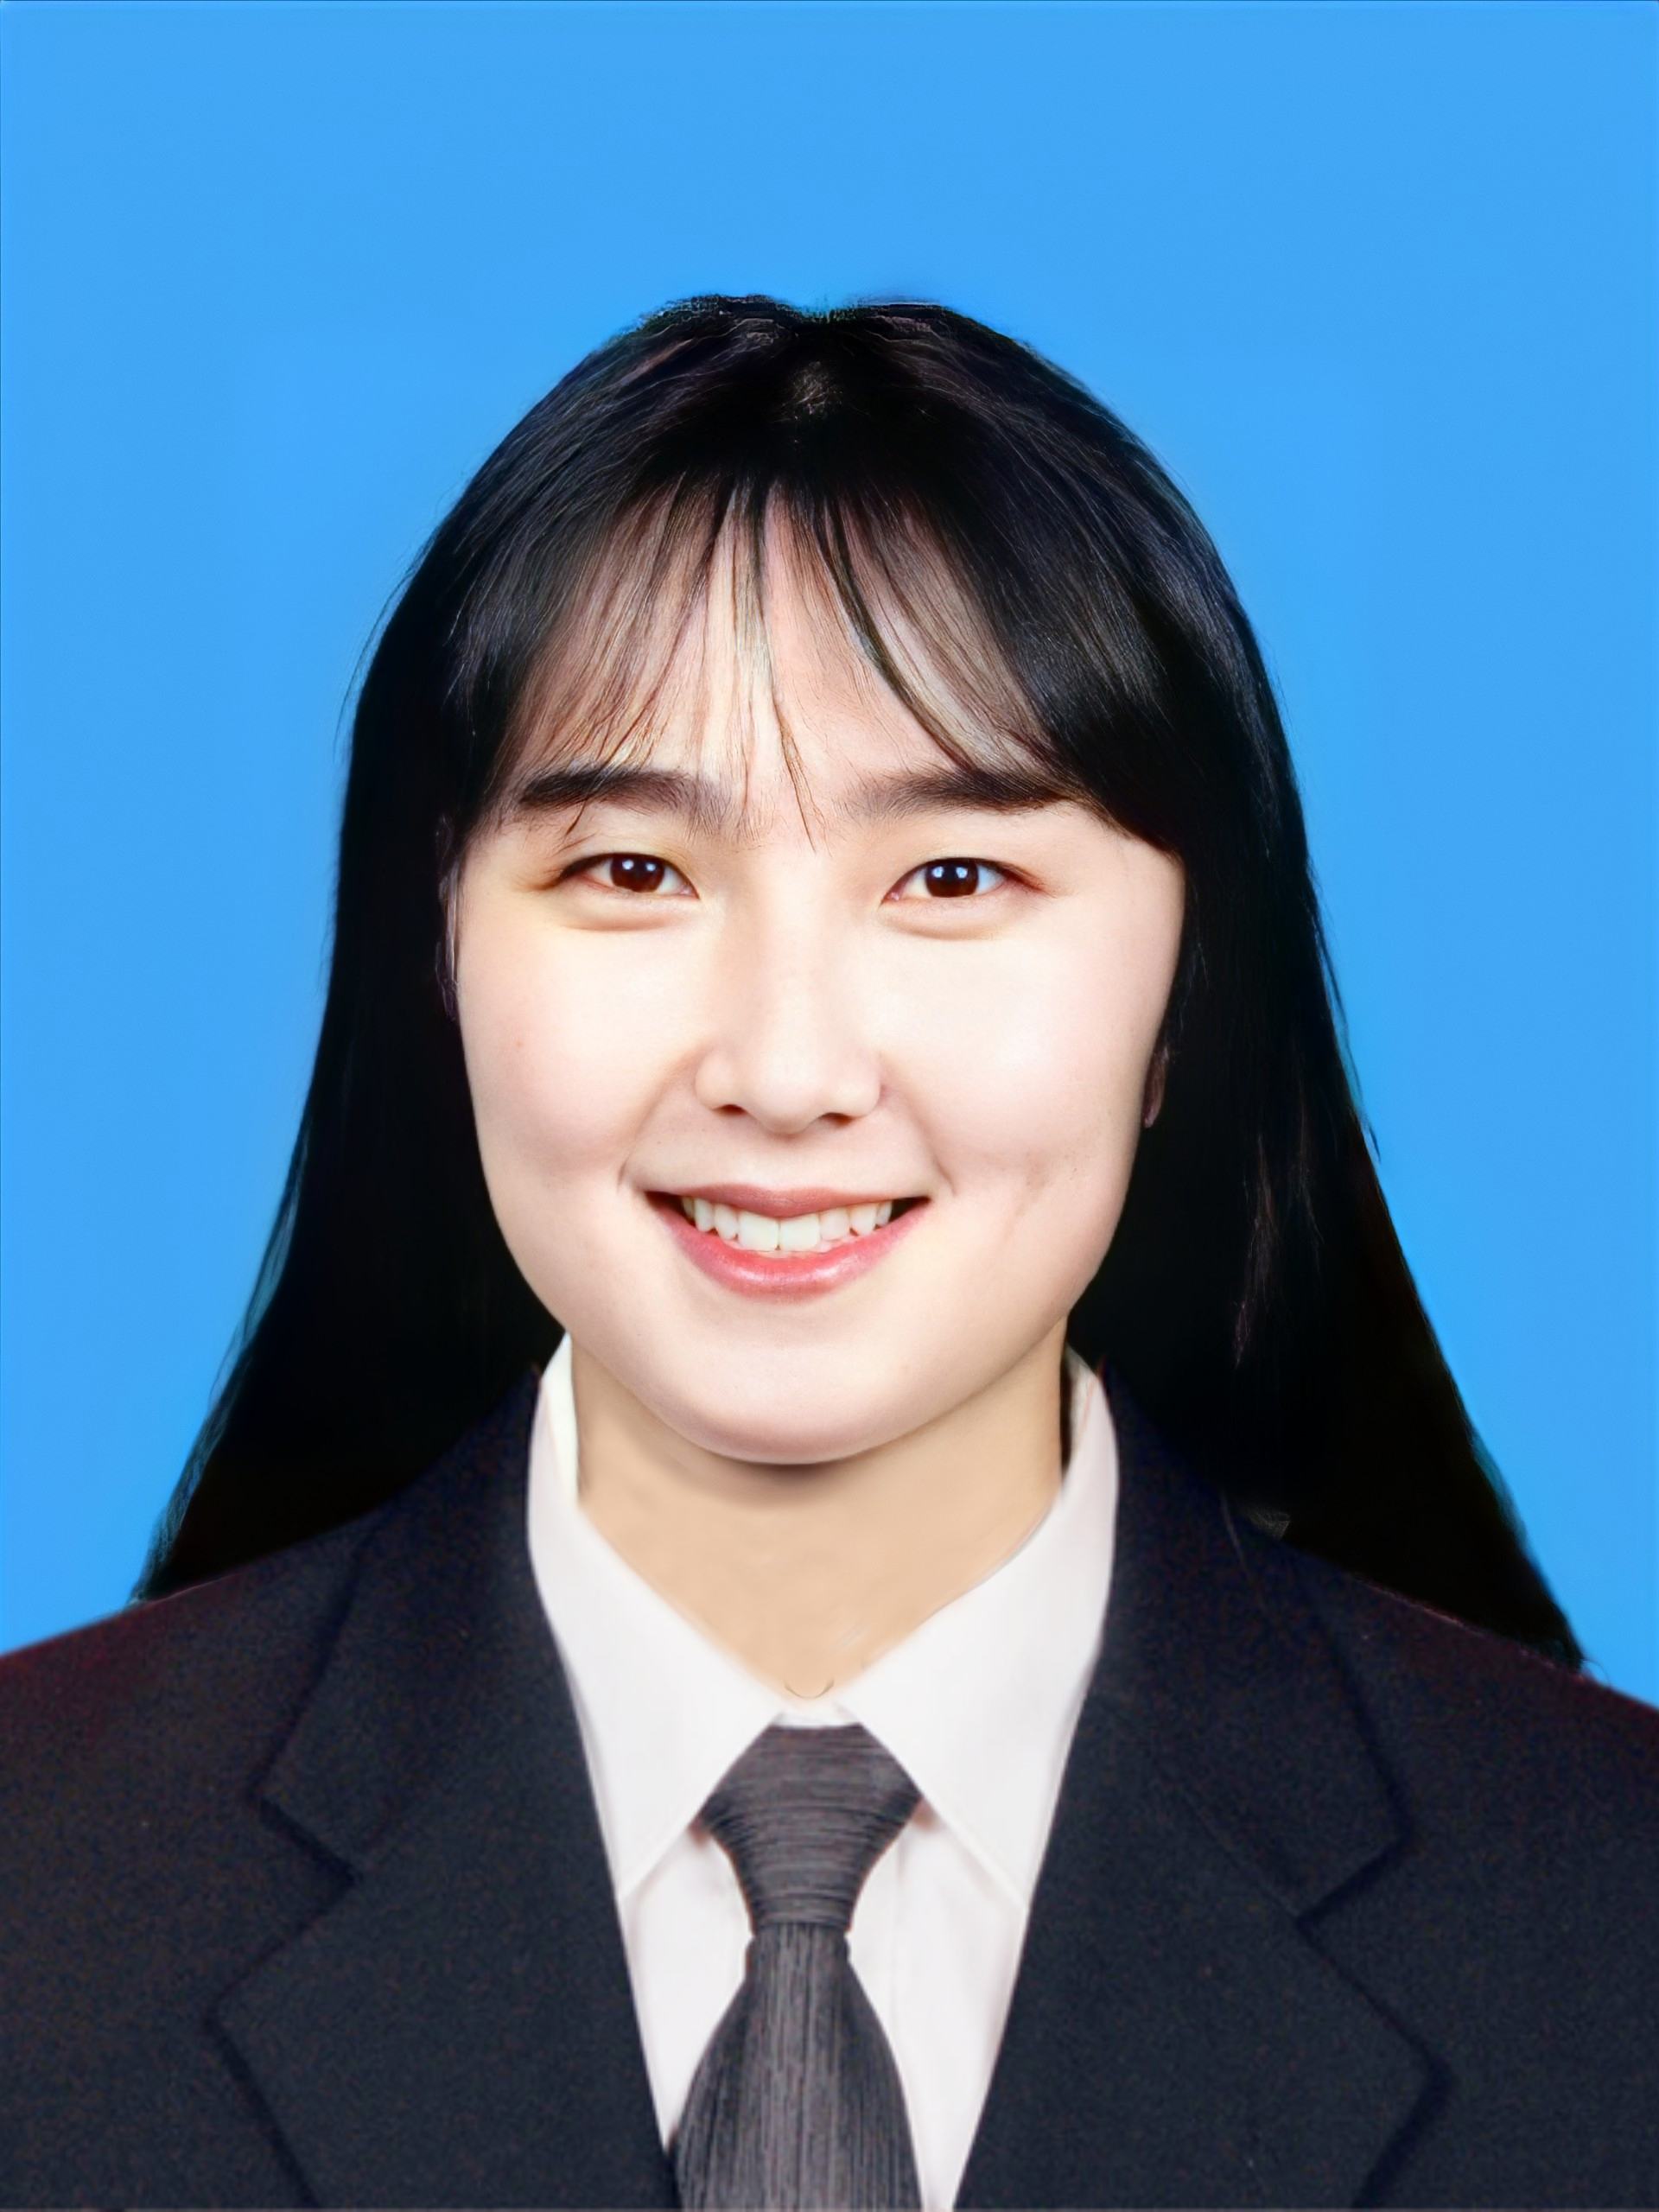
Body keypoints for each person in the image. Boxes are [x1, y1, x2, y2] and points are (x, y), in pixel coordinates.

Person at [1, 297, 1655, 2210]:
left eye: (954, 877)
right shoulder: (42, 1891)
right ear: (434, 948)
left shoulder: (1610, 1923)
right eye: (633, 871)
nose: (786, 1072)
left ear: (1189, 991)